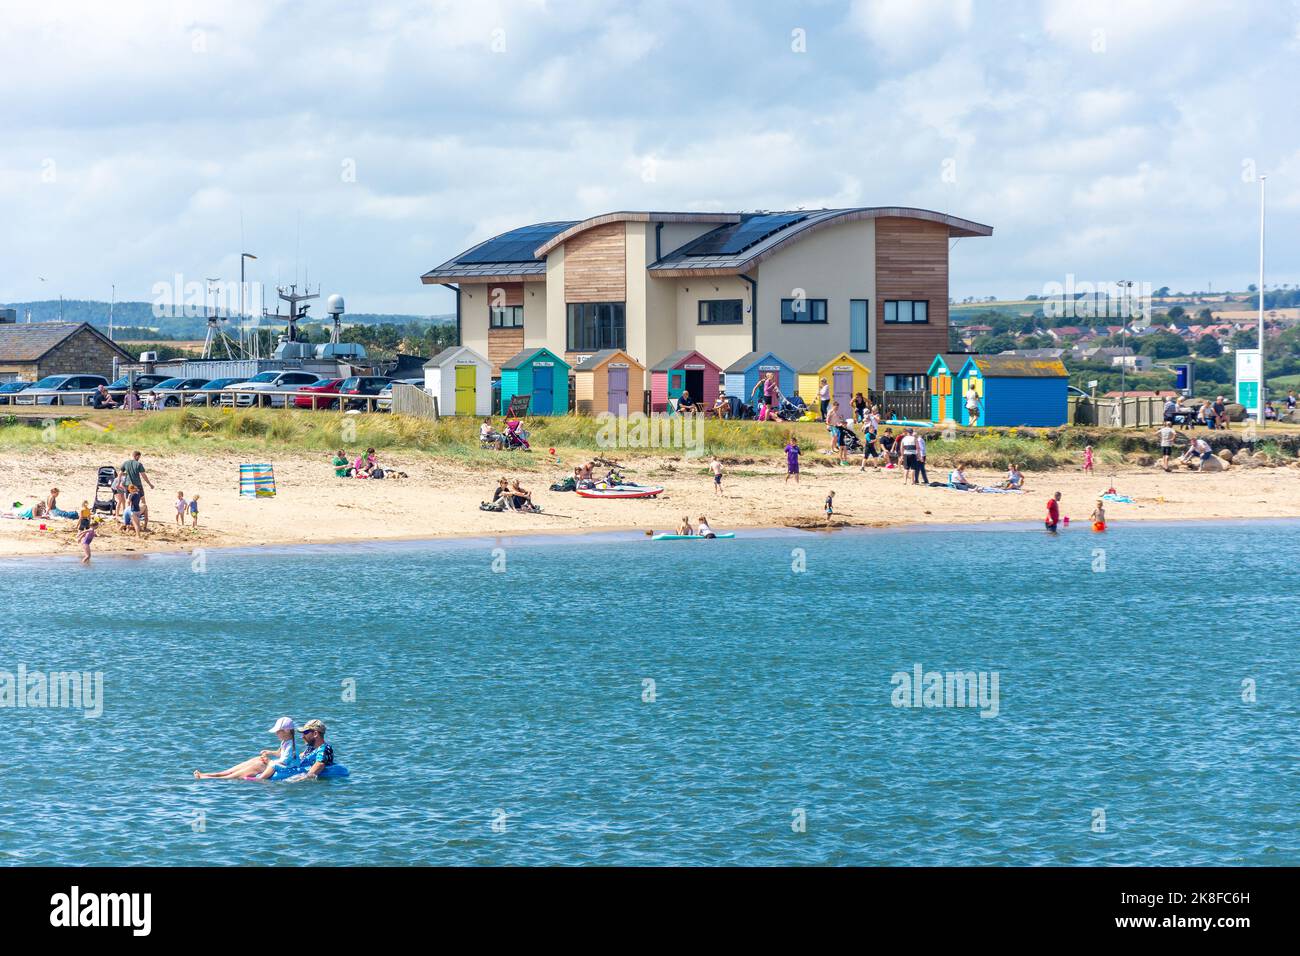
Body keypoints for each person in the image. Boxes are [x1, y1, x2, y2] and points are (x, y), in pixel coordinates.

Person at [193, 717, 298, 780]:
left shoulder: (291, 746)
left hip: (284, 767)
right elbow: (281, 754)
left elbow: (284, 761)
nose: (276, 733)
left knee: (259, 763)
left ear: (287, 731)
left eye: (278, 731)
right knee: (257, 759)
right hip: (279, 763)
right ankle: (215, 774)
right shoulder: (285, 741)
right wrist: (270, 752)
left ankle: (215, 778)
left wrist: (269, 761)